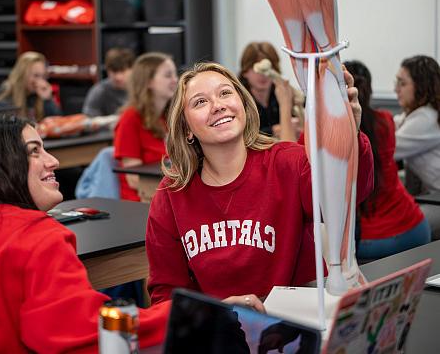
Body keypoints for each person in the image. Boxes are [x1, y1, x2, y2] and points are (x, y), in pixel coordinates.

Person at [0, 115, 169, 353]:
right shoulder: (35, 236)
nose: (54, 161)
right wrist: (178, 313)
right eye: (34, 151)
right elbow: (83, 337)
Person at [145, 62, 374, 303]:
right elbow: (166, 293)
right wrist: (218, 315)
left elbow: (343, 199)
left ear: (243, 106)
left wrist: (348, 133)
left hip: (295, 321)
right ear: (187, 129)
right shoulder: (171, 194)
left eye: (225, 93)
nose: (218, 106)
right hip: (220, 332)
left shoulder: (287, 162)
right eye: (200, 102)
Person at [344, 60, 430, 260]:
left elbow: (292, 163)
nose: (396, 88)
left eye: (402, 83)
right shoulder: (385, 120)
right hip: (415, 227)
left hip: (373, 240)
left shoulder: (328, 134)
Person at [114, 52, 178, 201]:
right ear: (148, 81)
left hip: (168, 193)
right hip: (144, 200)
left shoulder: (168, 117)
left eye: (175, 74)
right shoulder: (130, 119)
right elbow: (134, 179)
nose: (175, 80)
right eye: (168, 75)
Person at [393, 55, 440, 194]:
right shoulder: (417, 114)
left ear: (421, 86)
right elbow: (392, 124)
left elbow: (387, 149)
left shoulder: (427, 117)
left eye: (402, 83)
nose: (396, 89)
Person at [239, 41, 302, 140]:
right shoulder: (238, 100)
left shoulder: (282, 93)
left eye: (269, 67)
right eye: (255, 67)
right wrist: (272, 130)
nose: (263, 74)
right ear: (245, 71)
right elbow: (240, 134)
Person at [0, 51, 61, 121]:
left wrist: (48, 100)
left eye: (43, 76)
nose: (40, 81)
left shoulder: (39, 94)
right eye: (36, 75)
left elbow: (57, 123)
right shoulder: (8, 90)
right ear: (22, 75)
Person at [82, 48, 135, 117]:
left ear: (132, 69)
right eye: (114, 71)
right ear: (107, 70)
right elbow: (88, 121)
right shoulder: (99, 91)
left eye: (123, 71)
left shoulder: (142, 89)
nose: (118, 77)